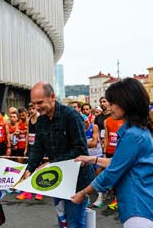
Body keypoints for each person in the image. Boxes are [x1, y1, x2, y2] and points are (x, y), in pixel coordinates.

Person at [71, 78, 153, 228]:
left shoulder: (133, 135)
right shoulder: (135, 130)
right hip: (143, 206)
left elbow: (113, 171)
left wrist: (83, 193)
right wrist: (93, 160)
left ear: (127, 102)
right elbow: (121, 162)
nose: (109, 106)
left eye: (112, 102)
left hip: (140, 209)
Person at [23, 82, 94, 228]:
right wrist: (29, 168)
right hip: (57, 181)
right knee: (63, 222)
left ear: (53, 97)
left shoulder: (71, 116)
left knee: (75, 224)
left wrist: (53, 163)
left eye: (40, 102)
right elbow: (38, 148)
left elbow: (80, 149)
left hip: (77, 182)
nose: (36, 107)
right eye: (34, 103)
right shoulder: (41, 120)